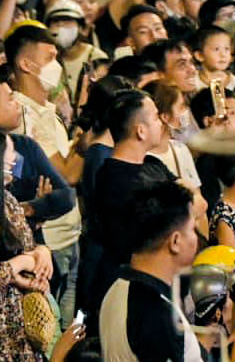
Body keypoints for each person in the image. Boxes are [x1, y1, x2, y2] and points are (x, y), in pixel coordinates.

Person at [78, 89, 175, 320]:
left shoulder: (152, 164)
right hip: (128, 289)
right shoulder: (115, 179)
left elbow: (196, 204)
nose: (162, 121)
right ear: (140, 130)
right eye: (154, 116)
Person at [0, 126, 53, 361]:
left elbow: (26, 245)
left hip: (16, 327)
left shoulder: (9, 201)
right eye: (11, 155)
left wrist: (40, 253)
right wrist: (20, 263)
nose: (17, 160)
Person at [97, 180, 204, 362]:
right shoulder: (157, 314)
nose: (197, 238)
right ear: (175, 242)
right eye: (193, 229)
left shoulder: (118, 288)